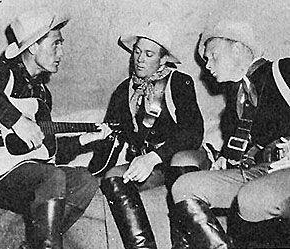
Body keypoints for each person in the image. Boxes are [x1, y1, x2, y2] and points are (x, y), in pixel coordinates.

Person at [0, 8, 112, 249]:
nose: (61, 52)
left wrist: (83, 141)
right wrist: (16, 120)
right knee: (51, 177)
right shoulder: (2, 73)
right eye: (56, 44)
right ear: (33, 47)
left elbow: (44, 153)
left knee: (84, 179)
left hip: (17, 173)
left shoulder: (43, 97)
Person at [169, 19, 290, 249]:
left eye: (213, 55)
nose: (207, 66)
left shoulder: (283, 71)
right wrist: (225, 158)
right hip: (258, 171)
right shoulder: (235, 101)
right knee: (183, 187)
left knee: (252, 197)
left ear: (237, 48)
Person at [88, 21, 204, 249]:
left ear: (163, 60)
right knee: (113, 177)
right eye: (137, 52)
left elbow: (193, 133)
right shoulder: (124, 91)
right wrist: (93, 173)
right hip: (148, 166)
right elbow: (110, 141)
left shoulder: (179, 82)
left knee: (182, 162)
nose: (139, 59)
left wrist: (153, 158)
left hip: (178, 162)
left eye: (149, 54)